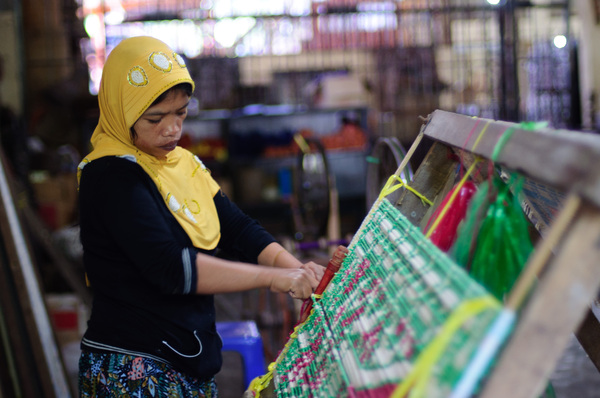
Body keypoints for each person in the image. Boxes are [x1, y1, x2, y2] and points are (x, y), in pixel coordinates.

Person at [77, 36, 324, 397]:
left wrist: (296, 269)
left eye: (181, 112)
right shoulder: (112, 176)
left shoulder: (180, 165)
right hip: (135, 373)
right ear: (121, 111)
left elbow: (237, 228)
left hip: (183, 360)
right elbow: (172, 268)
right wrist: (276, 279)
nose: (172, 129)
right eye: (155, 118)